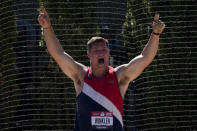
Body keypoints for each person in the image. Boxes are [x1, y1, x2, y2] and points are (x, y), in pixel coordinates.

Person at [38, 6, 165, 131]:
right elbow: (58, 54)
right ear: (89, 54)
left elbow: (144, 58)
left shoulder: (119, 76)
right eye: (96, 50)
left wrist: (155, 34)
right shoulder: (81, 75)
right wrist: (47, 28)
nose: (101, 53)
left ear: (109, 52)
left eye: (104, 49)